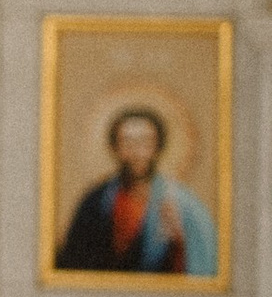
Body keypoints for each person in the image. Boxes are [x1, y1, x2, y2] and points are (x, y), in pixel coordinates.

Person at [55, 103, 218, 275]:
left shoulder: (183, 204)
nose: (136, 152)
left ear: (158, 147)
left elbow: (203, 266)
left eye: (145, 142)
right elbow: (72, 262)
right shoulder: (96, 201)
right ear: (115, 147)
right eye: (127, 141)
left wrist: (178, 241)